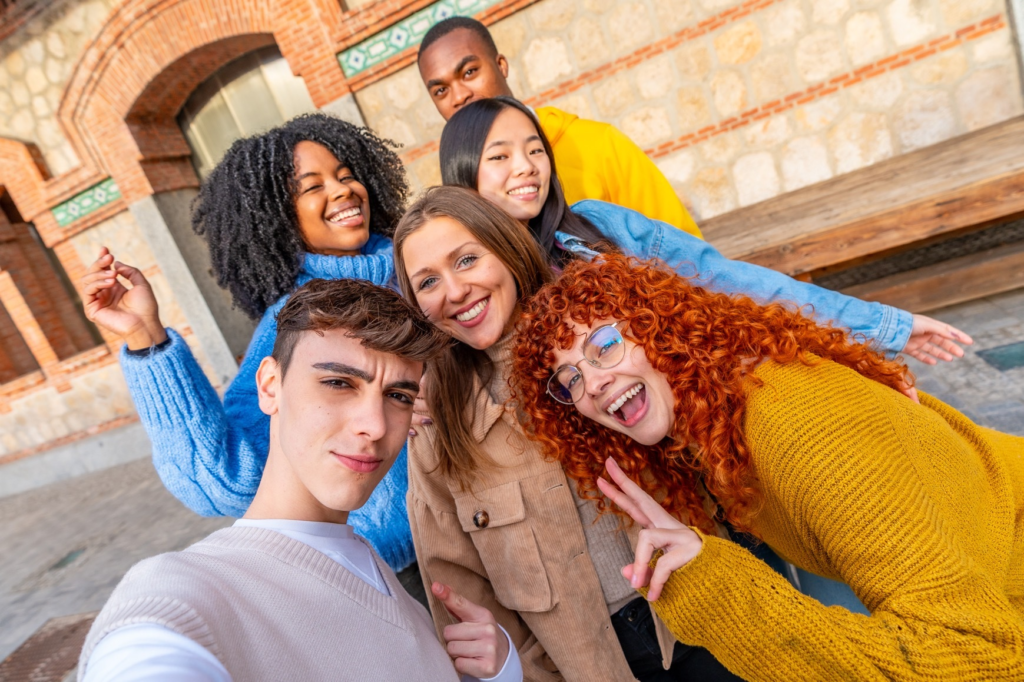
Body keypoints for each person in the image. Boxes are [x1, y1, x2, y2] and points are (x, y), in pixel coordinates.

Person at [509, 252, 1024, 681]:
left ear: (658, 326)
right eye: (568, 380)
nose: (592, 383)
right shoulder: (712, 428)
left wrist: (720, 593)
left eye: (604, 345)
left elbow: (979, 657)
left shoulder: (793, 422)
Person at [78, 279, 523, 682]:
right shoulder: (189, 591)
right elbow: (146, 650)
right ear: (270, 387)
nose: (375, 424)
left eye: (398, 396)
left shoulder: (370, 565)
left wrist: (500, 670)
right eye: (338, 383)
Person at [394, 186, 738, 681]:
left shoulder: (600, 333)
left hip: (710, 618)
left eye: (467, 259)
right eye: (427, 282)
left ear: (506, 248)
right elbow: (462, 593)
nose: (454, 291)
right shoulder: (436, 426)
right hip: (586, 666)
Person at [79, 113, 419, 574]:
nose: (342, 191)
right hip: (400, 573)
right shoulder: (292, 323)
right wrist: (145, 337)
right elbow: (224, 479)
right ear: (279, 217)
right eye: (312, 186)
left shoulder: (424, 271)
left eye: (345, 176)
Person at [416, 16, 703, 237]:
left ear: (501, 65)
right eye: (440, 91)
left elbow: (680, 248)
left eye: (469, 72)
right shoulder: (459, 192)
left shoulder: (599, 144)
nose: (459, 96)